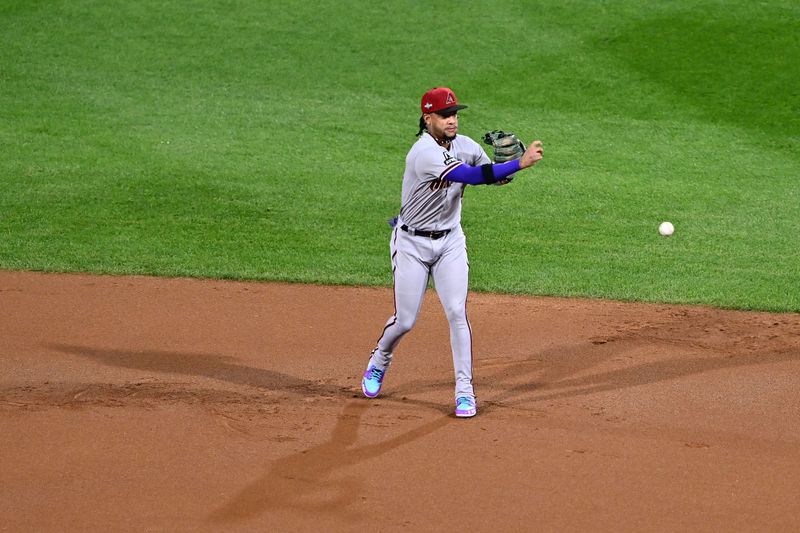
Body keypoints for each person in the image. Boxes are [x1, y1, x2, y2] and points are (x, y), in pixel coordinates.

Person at [361, 87, 544, 417]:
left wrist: (507, 170)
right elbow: (471, 176)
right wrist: (519, 162)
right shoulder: (423, 153)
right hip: (411, 244)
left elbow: (491, 177)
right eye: (445, 115)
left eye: (455, 114)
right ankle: (379, 361)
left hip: (449, 243)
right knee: (405, 320)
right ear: (427, 118)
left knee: (457, 313)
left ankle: (464, 391)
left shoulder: (465, 145)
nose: (452, 120)